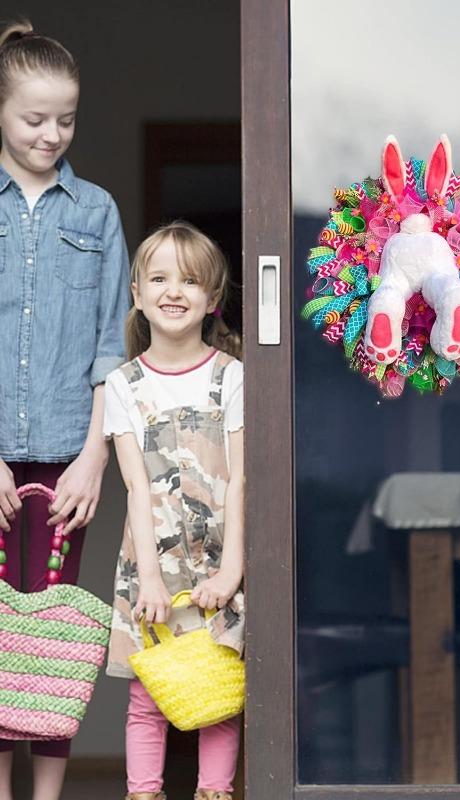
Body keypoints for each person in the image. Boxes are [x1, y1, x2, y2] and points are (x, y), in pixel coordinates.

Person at [0, 20, 130, 800]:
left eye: (67, 120)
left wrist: (95, 457)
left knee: (51, 641)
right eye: (33, 118)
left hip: (65, 459)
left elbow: (111, 351)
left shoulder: (98, 213)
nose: (52, 134)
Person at [104, 221, 244, 800]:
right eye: (159, 278)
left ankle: (214, 793)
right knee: (148, 695)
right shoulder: (124, 383)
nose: (174, 291)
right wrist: (153, 581)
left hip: (217, 557)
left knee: (220, 691)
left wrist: (231, 570)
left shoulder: (230, 376)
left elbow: (240, 481)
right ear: (137, 293)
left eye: (190, 281)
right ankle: (144, 793)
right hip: (153, 563)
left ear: (212, 300)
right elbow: (136, 487)